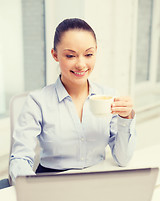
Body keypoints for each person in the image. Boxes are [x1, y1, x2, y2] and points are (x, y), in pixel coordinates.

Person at [9, 18, 136, 184]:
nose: (81, 64)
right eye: (70, 56)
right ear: (55, 55)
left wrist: (126, 118)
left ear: (96, 51)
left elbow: (123, 159)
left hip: (96, 181)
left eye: (89, 54)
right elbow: (20, 158)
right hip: (51, 184)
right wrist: (32, 190)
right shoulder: (37, 102)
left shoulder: (109, 96)